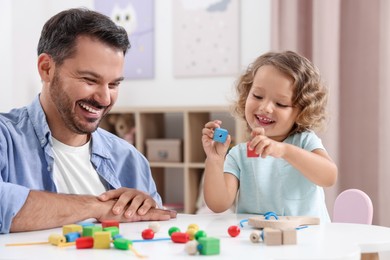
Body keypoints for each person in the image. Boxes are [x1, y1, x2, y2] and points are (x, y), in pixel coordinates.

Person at [0, 8, 176, 234]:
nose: (104, 98)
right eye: (89, 80)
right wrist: (95, 207)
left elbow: (153, 238)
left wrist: (143, 211)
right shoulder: (6, 139)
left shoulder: (129, 160)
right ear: (46, 69)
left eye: (114, 84)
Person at [201, 51, 338, 222]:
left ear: (302, 112)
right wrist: (214, 160)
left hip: (306, 239)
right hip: (257, 241)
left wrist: (283, 150)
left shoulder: (304, 141)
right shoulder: (239, 155)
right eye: (257, 96)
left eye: (280, 103)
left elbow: (329, 177)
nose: (265, 107)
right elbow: (218, 204)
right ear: (246, 95)